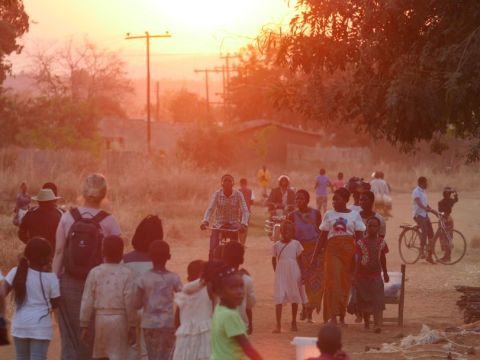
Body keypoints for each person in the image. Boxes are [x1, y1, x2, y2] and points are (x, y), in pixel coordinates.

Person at [53, 173, 121, 360]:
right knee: (93, 336)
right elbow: (115, 257)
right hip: (99, 285)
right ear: (104, 194)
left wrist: (54, 282)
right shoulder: (109, 221)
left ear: (82, 191)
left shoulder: (68, 217)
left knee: (69, 337)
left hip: (69, 283)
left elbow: (59, 252)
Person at [80, 235, 136, 360]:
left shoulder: (95, 272)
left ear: (102, 251)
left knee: (100, 355)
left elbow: (87, 299)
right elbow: (130, 301)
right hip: (120, 321)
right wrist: (132, 325)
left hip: (100, 319)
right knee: (118, 355)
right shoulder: (127, 273)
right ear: (122, 253)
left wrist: (84, 324)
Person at [3, 237, 60, 360]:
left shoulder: (16, 272)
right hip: (40, 327)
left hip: (20, 325)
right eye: (50, 255)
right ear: (43, 258)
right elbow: (56, 306)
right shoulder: (51, 279)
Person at [319, 188, 366, 325]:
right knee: (333, 282)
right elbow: (322, 237)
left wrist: (359, 256)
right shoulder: (328, 214)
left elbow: (359, 238)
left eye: (337, 199)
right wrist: (315, 255)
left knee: (345, 283)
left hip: (349, 252)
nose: (334, 202)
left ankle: (342, 316)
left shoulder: (355, 215)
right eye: (333, 199)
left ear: (345, 200)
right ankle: (333, 316)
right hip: (332, 250)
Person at [134, 240, 182, 360]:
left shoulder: (143, 278)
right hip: (168, 323)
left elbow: (137, 304)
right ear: (168, 257)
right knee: (167, 356)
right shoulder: (174, 278)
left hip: (149, 324)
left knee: (152, 356)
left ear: (149, 256)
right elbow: (183, 300)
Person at [123, 215, 163, 359]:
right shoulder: (158, 262)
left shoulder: (126, 260)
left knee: (131, 348)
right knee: (147, 351)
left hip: (130, 309)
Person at [210, 264, 263, 360]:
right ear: (219, 291)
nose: (239, 291)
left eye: (241, 286)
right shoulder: (229, 315)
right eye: (233, 288)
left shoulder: (220, 309)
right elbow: (247, 348)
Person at [288, 189, 323, 322]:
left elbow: (321, 231)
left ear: (307, 200)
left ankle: (310, 311)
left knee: (315, 283)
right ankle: (304, 309)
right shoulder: (291, 216)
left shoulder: (316, 213)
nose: (298, 201)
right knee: (301, 282)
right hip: (299, 253)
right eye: (296, 198)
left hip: (315, 252)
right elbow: (289, 235)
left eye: (301, 198)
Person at [200, 174, 249, 259]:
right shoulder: (217, 194)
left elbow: (245, 210)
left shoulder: (238, 194)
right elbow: (210, 209)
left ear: (233, 184)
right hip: (219, 224)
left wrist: (243, 224)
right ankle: (211, 262)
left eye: (229, 181)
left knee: (234, 248)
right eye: (225, 180)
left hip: (234, 224)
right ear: (221, 184)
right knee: (213, 245)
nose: (227, 183)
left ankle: (234, 262)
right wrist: (205, 221)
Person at [354, 217, 389, 333]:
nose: (372, 228)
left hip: (376, 274)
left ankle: (377, 324)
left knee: (377, 299)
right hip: (362, 276)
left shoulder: (381, 243)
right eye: (370, 225)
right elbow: (358, 260)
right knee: (365, 300)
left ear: (379, 228)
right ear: (366, 227)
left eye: (375, 226)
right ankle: (367, 323)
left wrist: (385, 272)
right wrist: (355, 275)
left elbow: (383, 258)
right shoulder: (360, 243)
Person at [173, 260, 213, 360]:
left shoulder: (183, 293)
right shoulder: (208, 290)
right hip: (204, 336)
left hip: (185, 338)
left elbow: (177, 320)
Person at [272, 221, 306, 333]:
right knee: (279, 296)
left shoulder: (296, 244)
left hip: (294, 271)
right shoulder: (276, 245)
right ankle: (277, 324)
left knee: (294, 295)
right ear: (281, 231)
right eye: (285, 231)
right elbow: (274, 260)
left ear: (293, 233)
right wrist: (276, 272)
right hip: (281, 272)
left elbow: (300, 259)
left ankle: (294, 322)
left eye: (290, 231)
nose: (287, 233)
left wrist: (303, 273)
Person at [223, 242, 256, 334]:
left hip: (221, 326)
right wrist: (250, 324)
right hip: (240, 325)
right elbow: (250, 305)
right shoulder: (246, 279)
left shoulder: (217, 279)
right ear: (242, 259)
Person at [412, 176, 436, 264]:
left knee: (431, 235)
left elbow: (425, 204)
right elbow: (419, 204)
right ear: (422, 183)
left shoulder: (423, 192)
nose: (427, 184)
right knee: (425, 231)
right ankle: (421, 252)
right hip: (418, 215)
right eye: (426, 183)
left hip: (425, 215)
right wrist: (427, 209)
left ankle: (429, 256)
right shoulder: (416, 192)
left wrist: (433, 210)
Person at [437, 187, 459, 262]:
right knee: (449, 238)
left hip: (443, 220)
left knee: (444, 238)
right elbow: (456, 199)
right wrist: (455, 192)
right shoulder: (451, 201)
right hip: (449, 219)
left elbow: (440, 212)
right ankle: (448, 256)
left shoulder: (440, 202)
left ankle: (446, 257)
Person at [238, 178, 254, 245]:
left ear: (240, 183)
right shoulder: (250, 191)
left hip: (239, 211)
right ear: (246, 183)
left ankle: (240, 241)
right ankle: (243, 243)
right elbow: (252, 202)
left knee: (239, 227)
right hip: (247, 211)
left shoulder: (238, 191)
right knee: (245, 227)